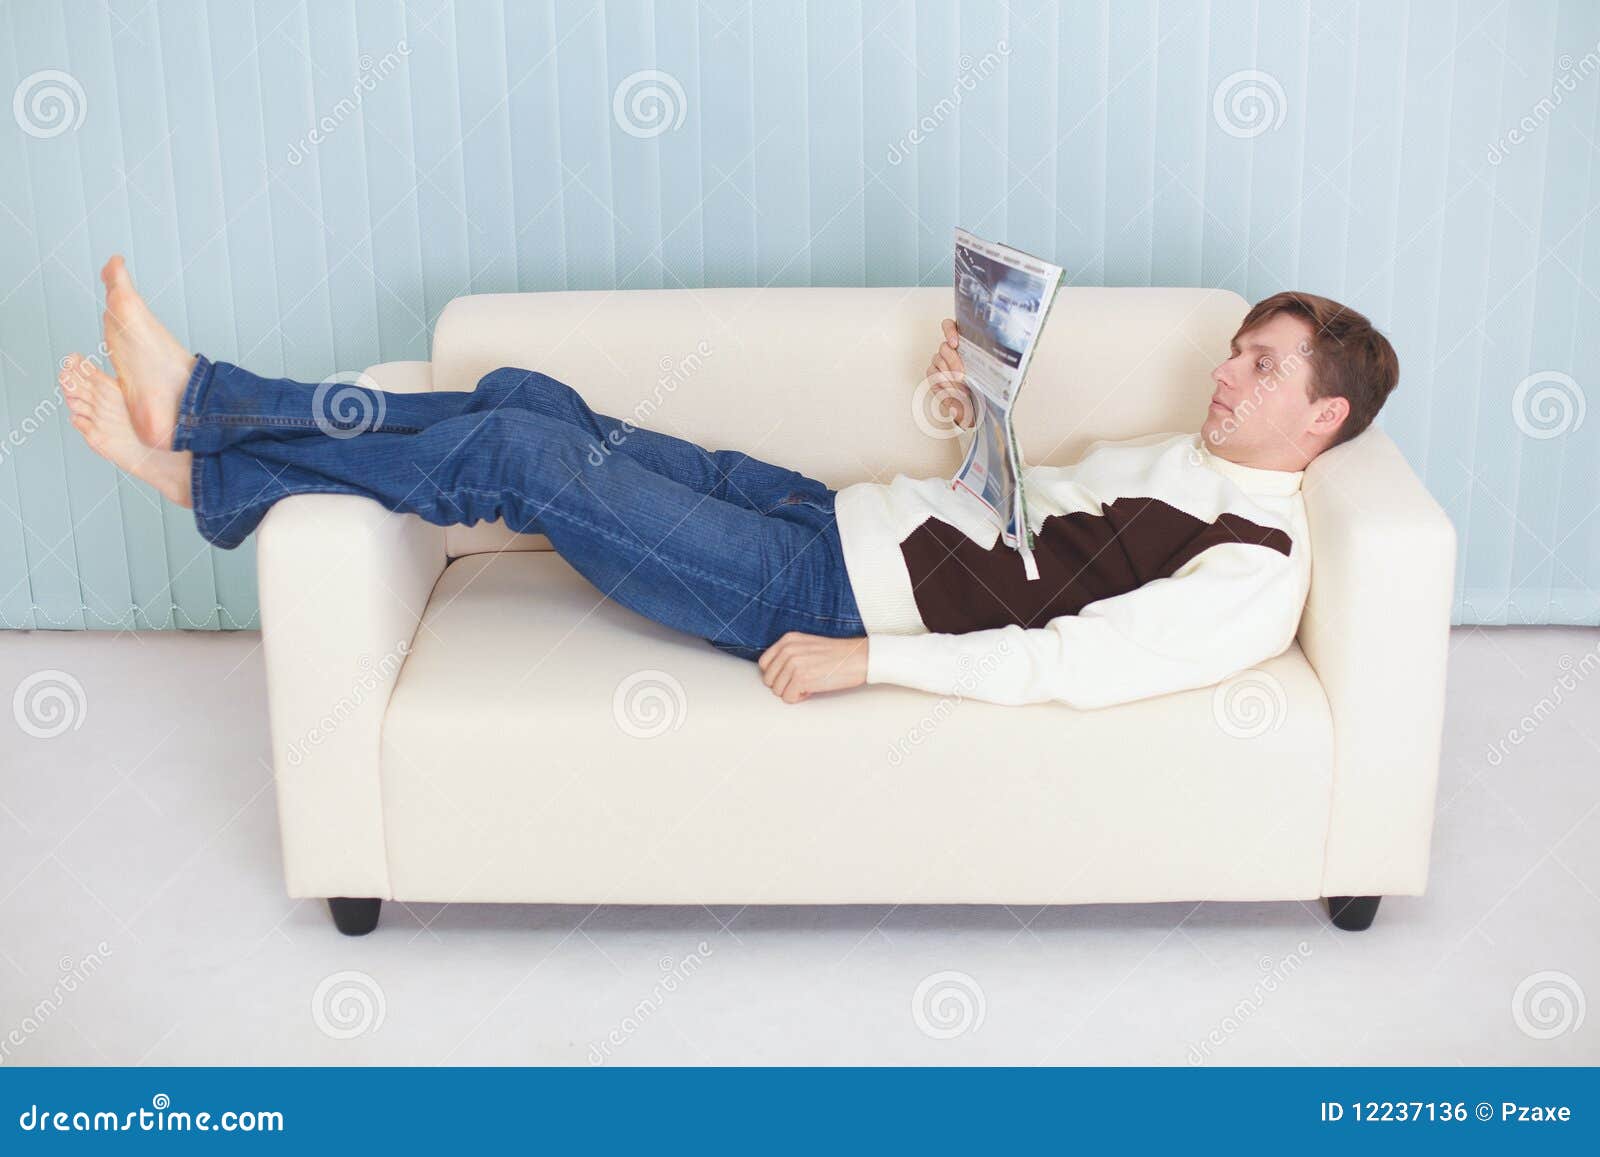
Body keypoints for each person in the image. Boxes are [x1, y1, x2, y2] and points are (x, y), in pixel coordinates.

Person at [63, 257, 1397, 707]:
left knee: (523, 457)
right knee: (526, 395)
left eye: (1264, 369)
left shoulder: (1254, 569)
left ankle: (208, 415)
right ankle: (212, 478)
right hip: (834, 511)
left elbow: (1074, 659)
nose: (1229, 373)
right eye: (1238, 350)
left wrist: (863, 663)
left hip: (817, 588)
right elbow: (1027, 527)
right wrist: (978, 396)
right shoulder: (1191, 454)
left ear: (1324, 416)